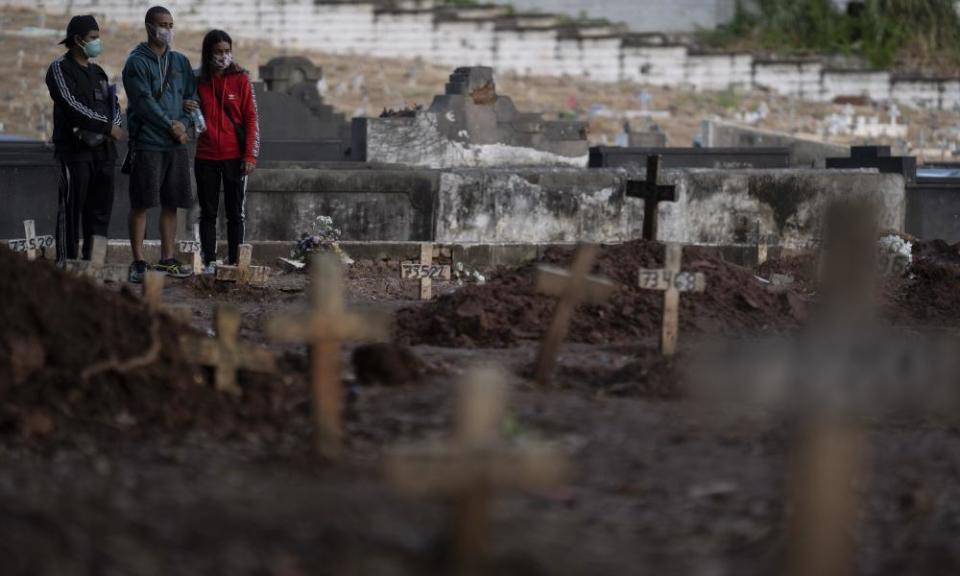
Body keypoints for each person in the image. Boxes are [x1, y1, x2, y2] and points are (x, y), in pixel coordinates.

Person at [122, 5, 197, 283]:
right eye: (162, 24)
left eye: (170, 24)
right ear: (149, 26)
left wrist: (185, 124)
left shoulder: (181, 62)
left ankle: (167, 258)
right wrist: (171, 125)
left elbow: (192, 97)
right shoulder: (136, 62)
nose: (167, 29)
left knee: (171, 203)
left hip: (175, 145)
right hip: (149, 143)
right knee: (142, 202)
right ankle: (139, 260)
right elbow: (143, 103)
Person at [45, 15, 124, 263]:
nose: (97, 42)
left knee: (100, 212)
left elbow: (115, 105)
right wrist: (106, 126)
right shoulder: (60, 69)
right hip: (74, 153)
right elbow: (71, 105)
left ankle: (95, 264)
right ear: (78, 40)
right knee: (71, 210)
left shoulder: (99, 72)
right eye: (93, 38)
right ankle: (67, 265)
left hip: (104, 153)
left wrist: (115, 125)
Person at [191, 29, 260, 271]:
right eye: (218, 52)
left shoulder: (241, 79)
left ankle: (235, 262)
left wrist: (250, 154)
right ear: (208, 53)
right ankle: (209, 261)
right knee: (208, 213)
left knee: (235, 213)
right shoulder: (198, 81)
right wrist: (187, 107)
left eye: (227, 51)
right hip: (206, 156)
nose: (223, 56)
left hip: (235, 157)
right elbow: (190, 116)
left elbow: (252, 119)